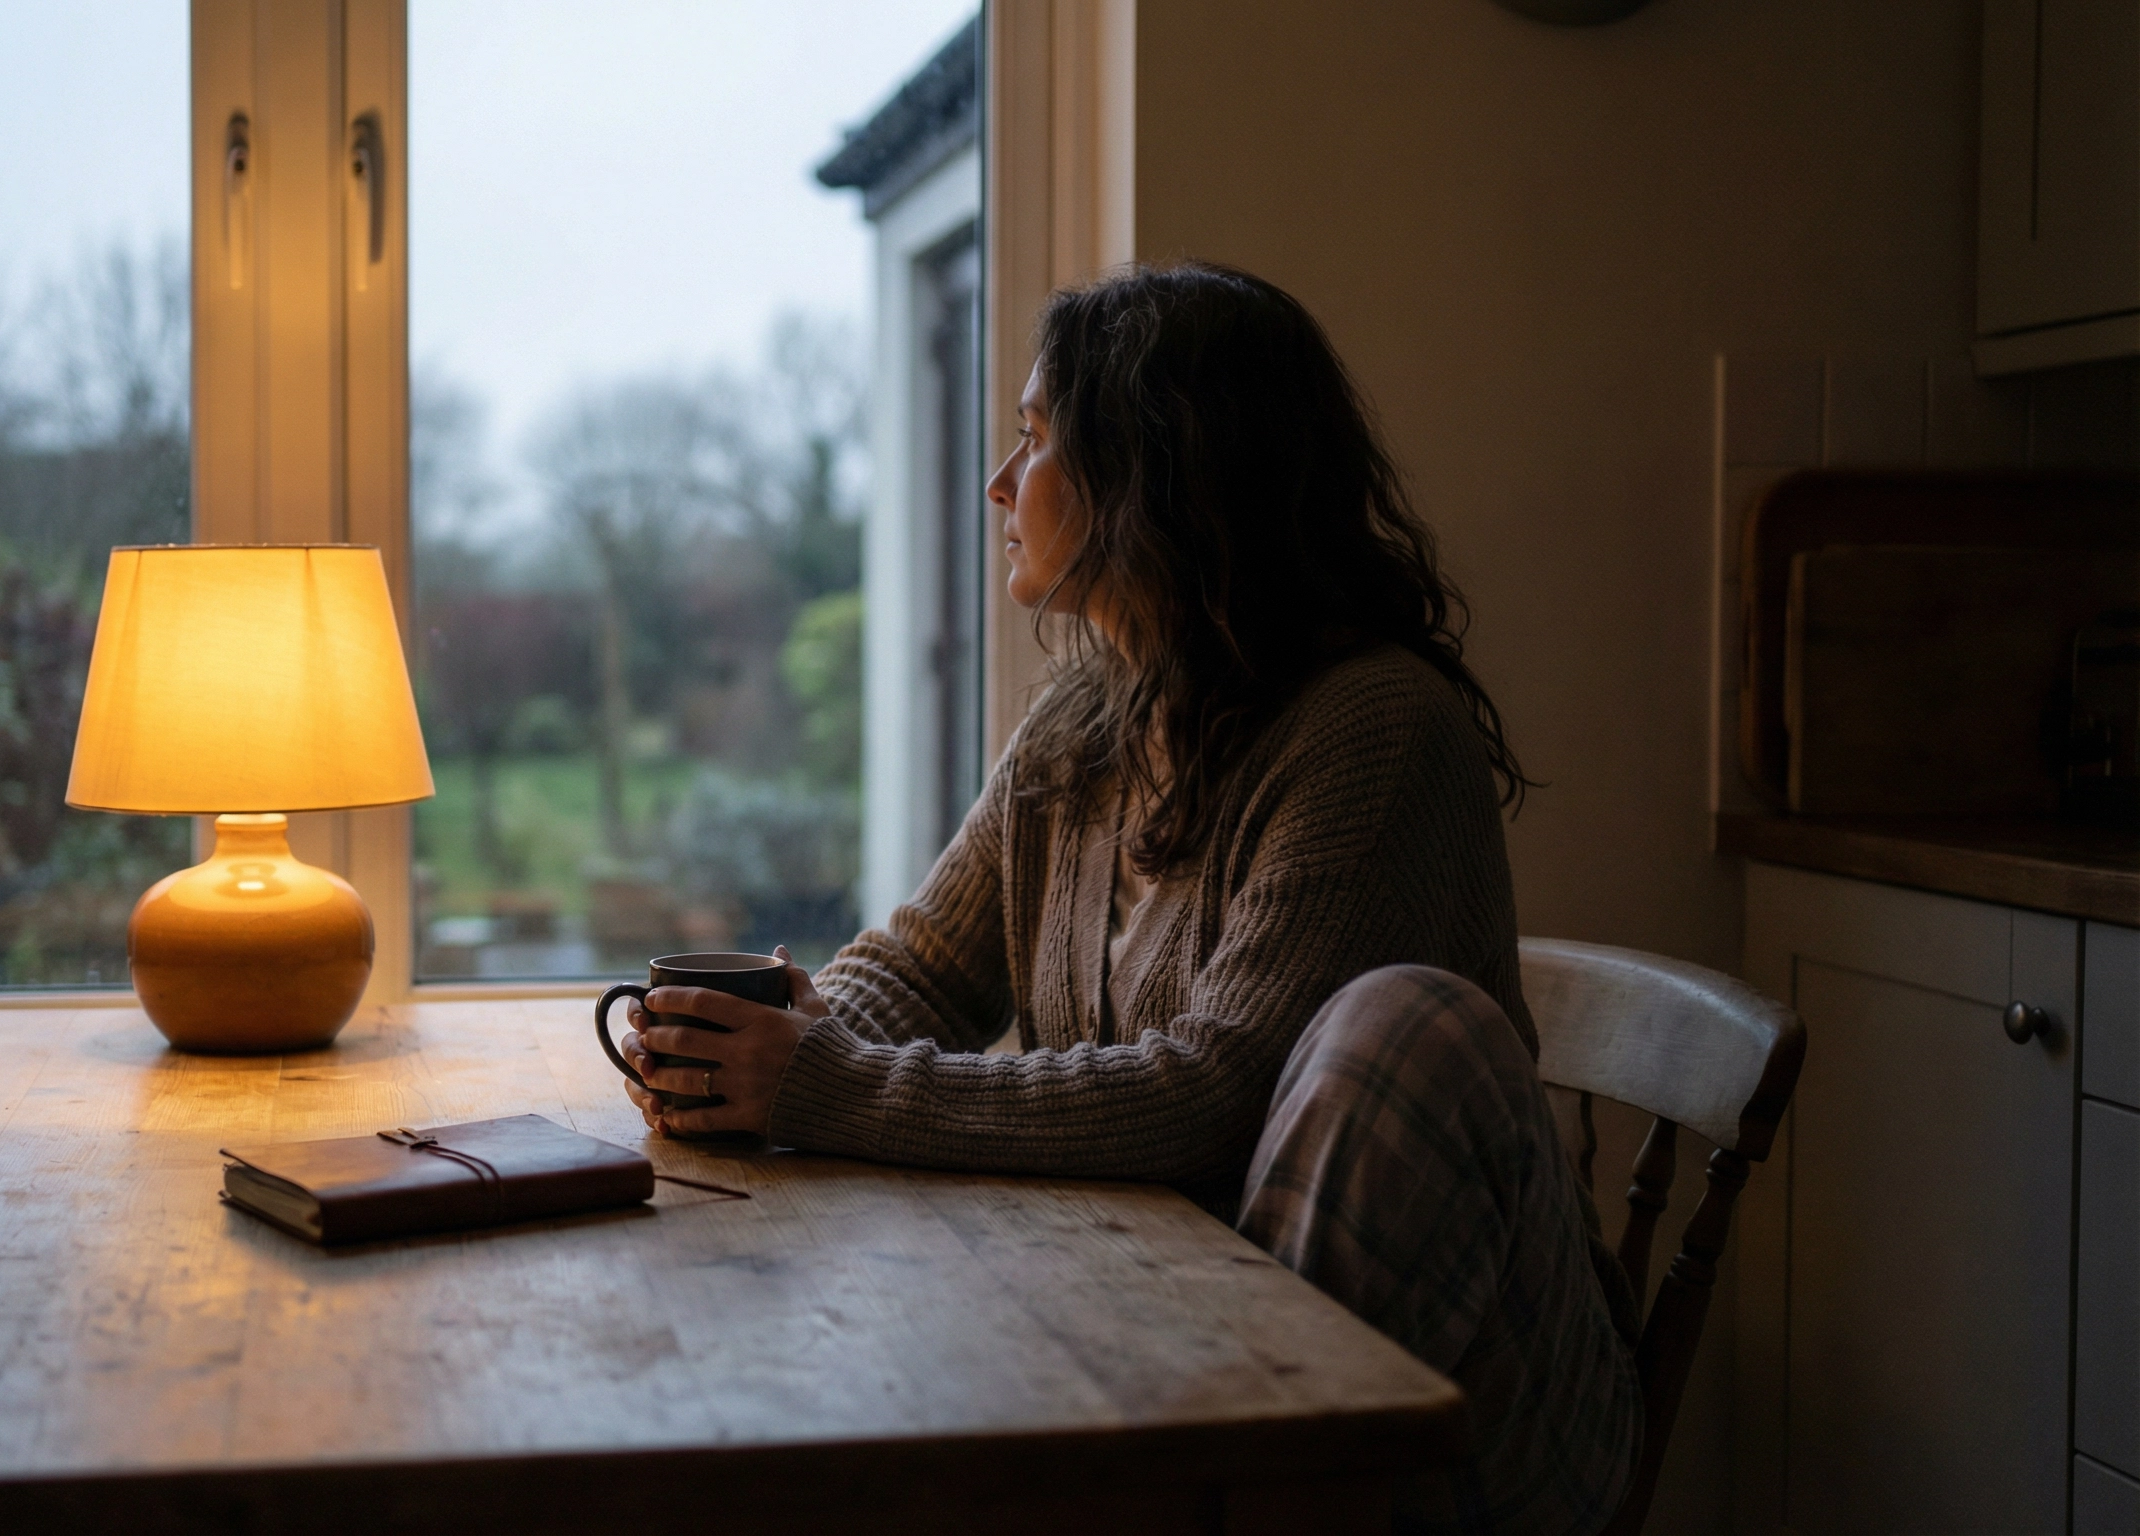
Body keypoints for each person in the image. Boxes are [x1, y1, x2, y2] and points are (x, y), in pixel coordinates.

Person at [616, 261, 1638, 1536]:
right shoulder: (1089, 714)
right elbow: (931, 962)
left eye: (1038, 441)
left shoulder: (1377, 732)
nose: (999, 483)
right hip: (1173, 1345)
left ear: (1160, 481)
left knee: (1406, 1030)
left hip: (1463, 1413)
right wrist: (779, 1030)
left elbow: (1206, 1095)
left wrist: (821, 1080)